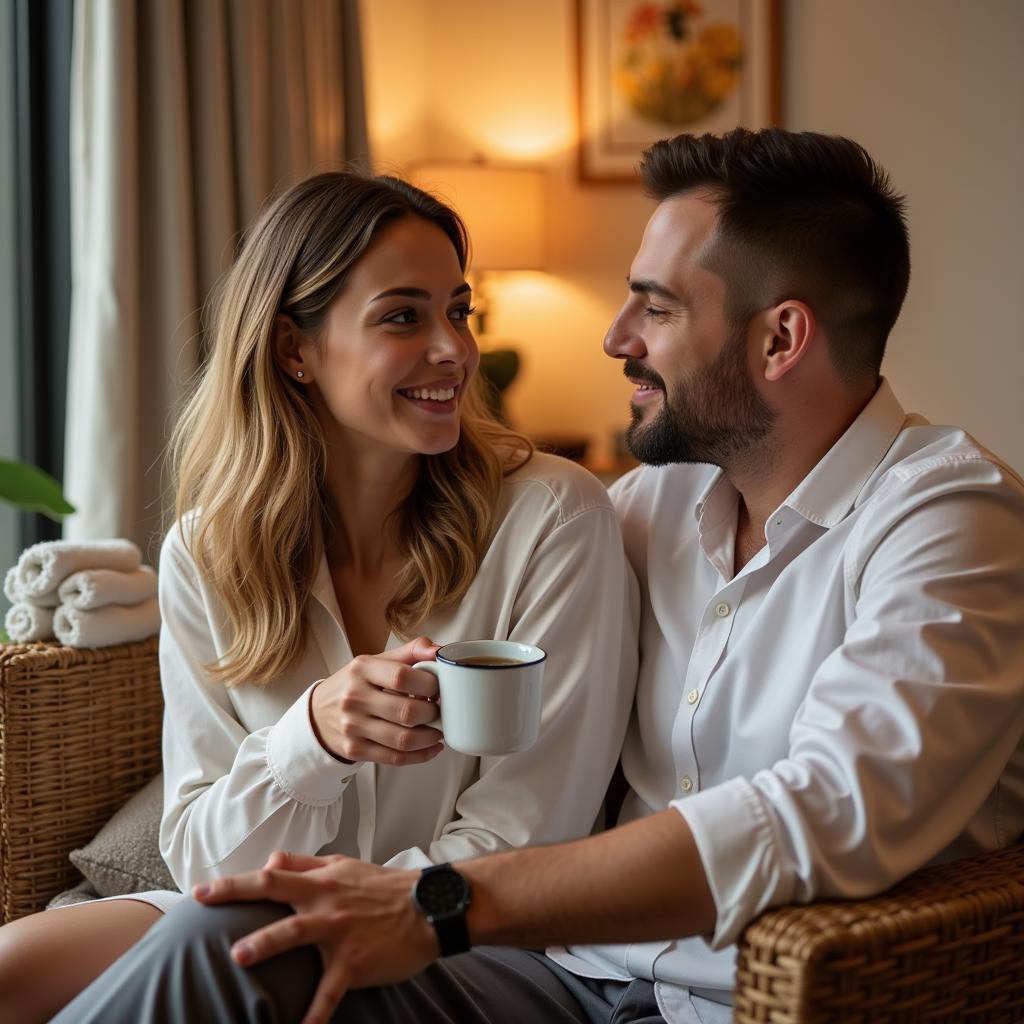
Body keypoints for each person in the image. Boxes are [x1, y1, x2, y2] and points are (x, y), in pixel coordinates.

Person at [51, 128, 1024, 1024]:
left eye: (656, 304)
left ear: (779, 339)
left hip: (753, 995)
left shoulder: (950, 523)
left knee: (221, 949)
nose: (613, 337)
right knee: (209, 946)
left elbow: (822, 808)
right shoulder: (655, 510)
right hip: (559, 974)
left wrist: (435, 900)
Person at [0, 171, 638, 1023]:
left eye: (459, 310)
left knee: (223, 945)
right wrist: (310, 740)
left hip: (472, 934)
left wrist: (328, 895)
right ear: (293, 350)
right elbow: (195, 853)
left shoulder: (553, 516)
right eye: (403, 316)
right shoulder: (208, 549)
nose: (454, 349)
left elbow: (526, 841)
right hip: (234, 906)